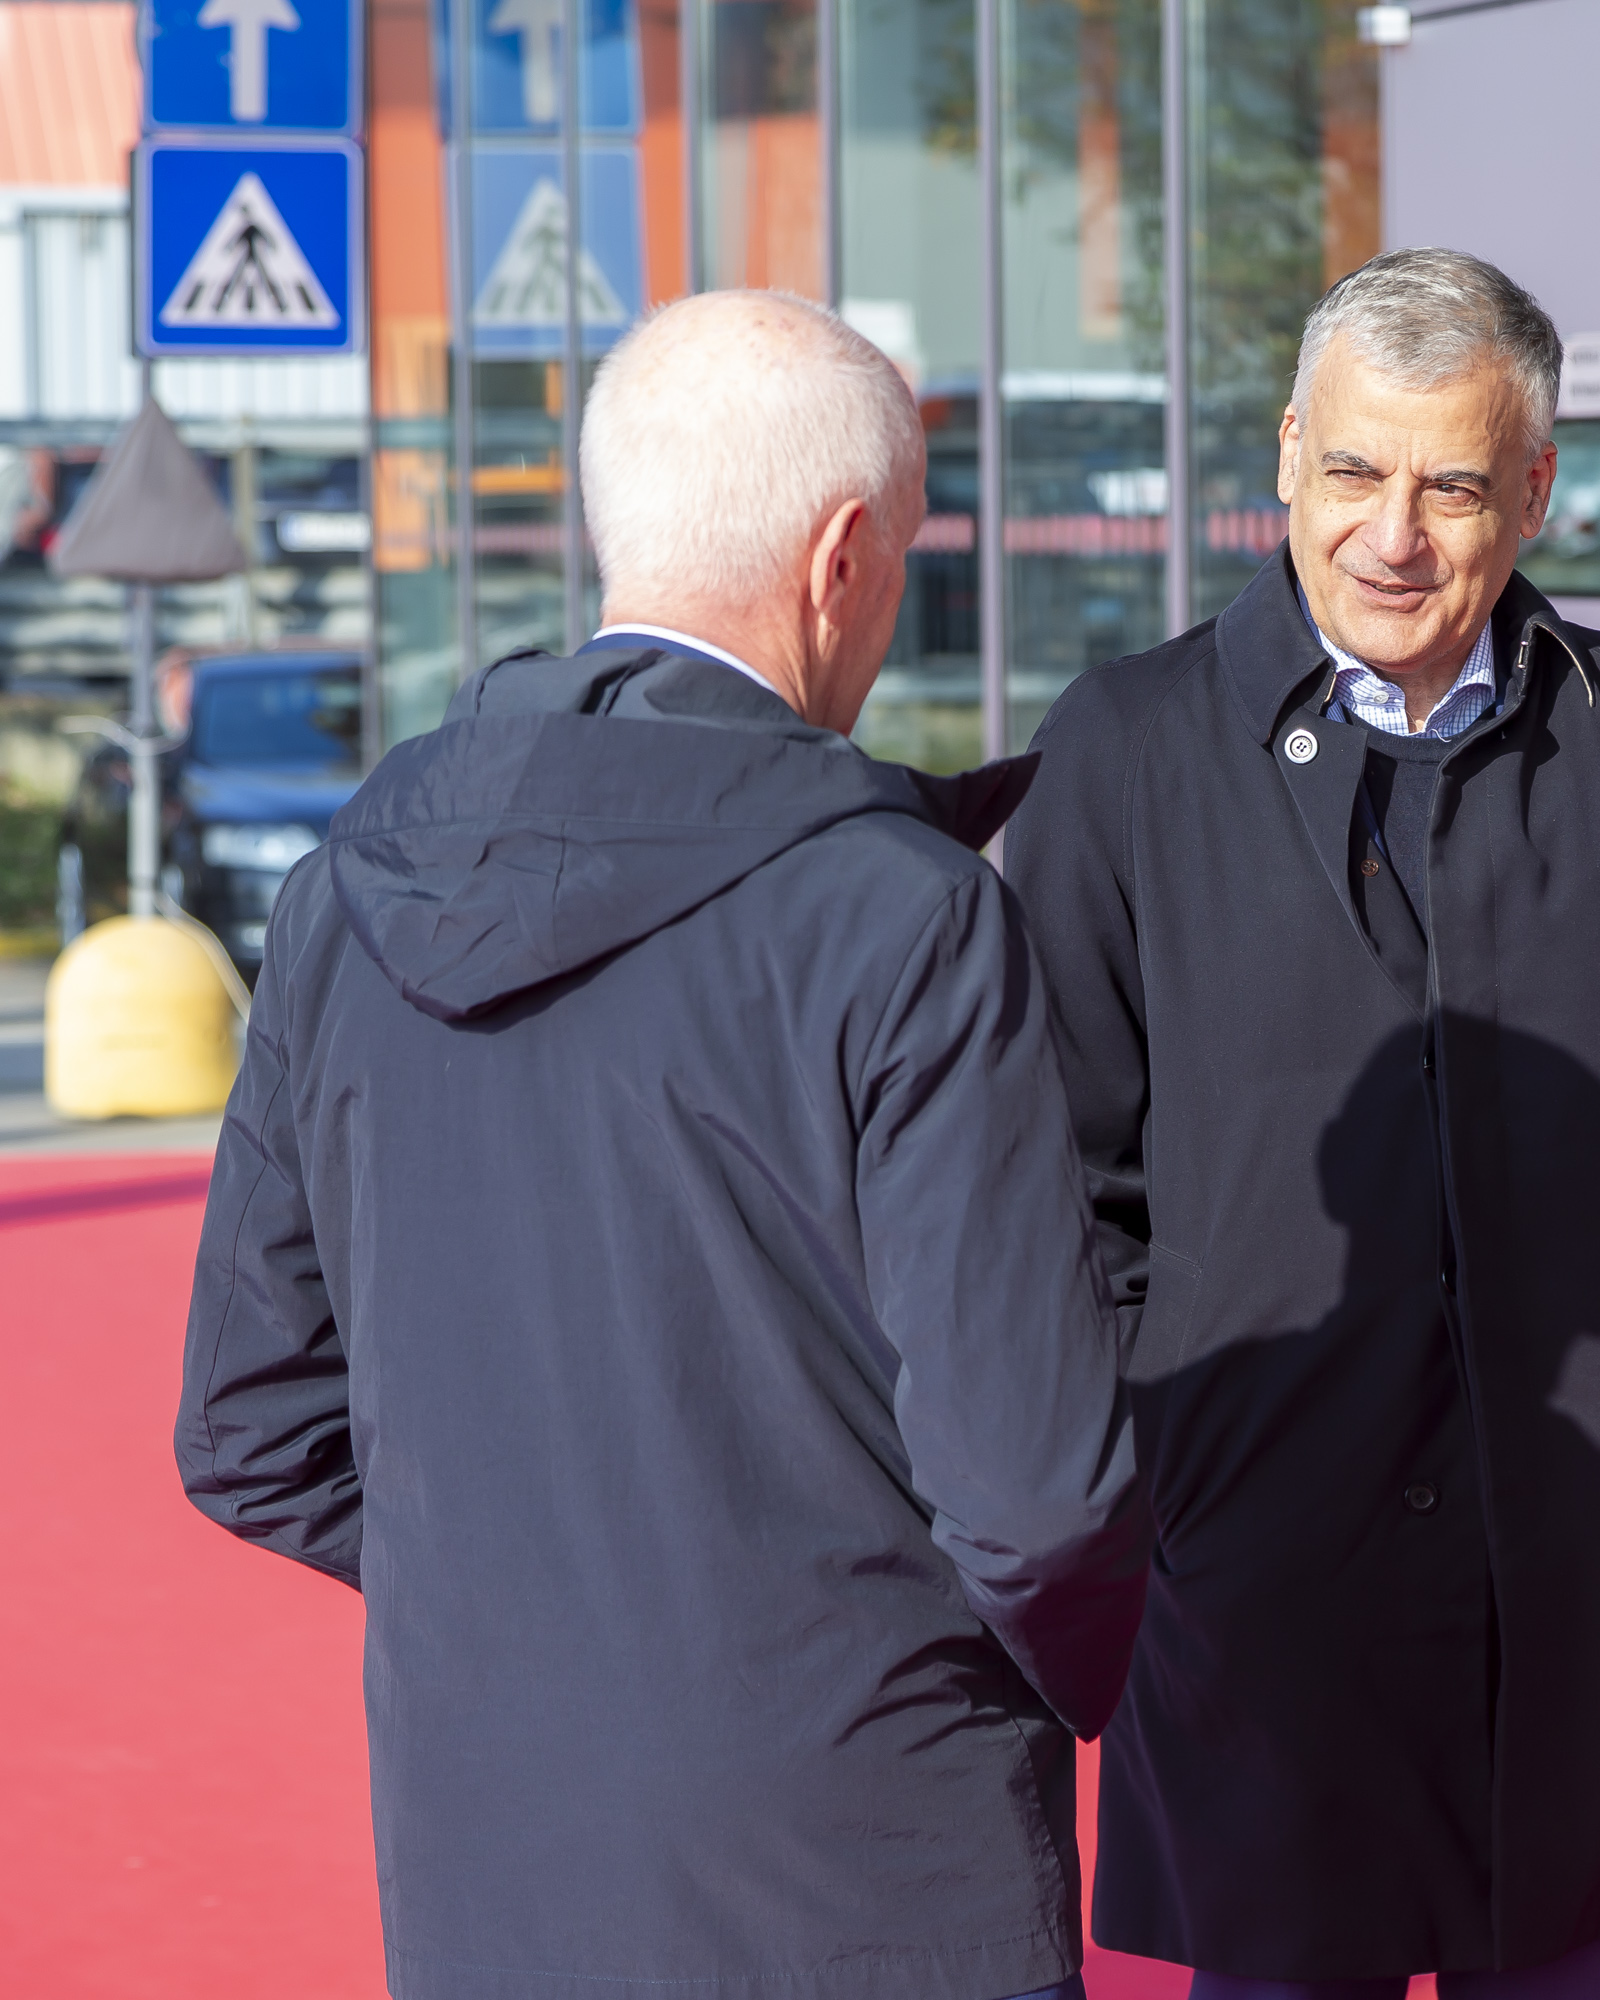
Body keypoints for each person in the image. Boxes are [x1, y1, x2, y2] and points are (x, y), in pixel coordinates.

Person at [175, 290, 1147, 2000]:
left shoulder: (342, 897)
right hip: (875, 1852)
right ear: (843, 555)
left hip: (492, 1863)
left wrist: (515, 1603)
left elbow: (251, 1428)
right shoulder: (902, 914)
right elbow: (1037, 1498)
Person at [1004, 247, 1600, 2000]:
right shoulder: (1126, 750)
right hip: (1262, 1617)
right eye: (1352, 471)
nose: (1391, 534)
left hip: (1593, 1606)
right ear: (1286, 454)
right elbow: (1064, 1195)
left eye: (1452, 487)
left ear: (1535, 490)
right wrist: (1173, 1474)